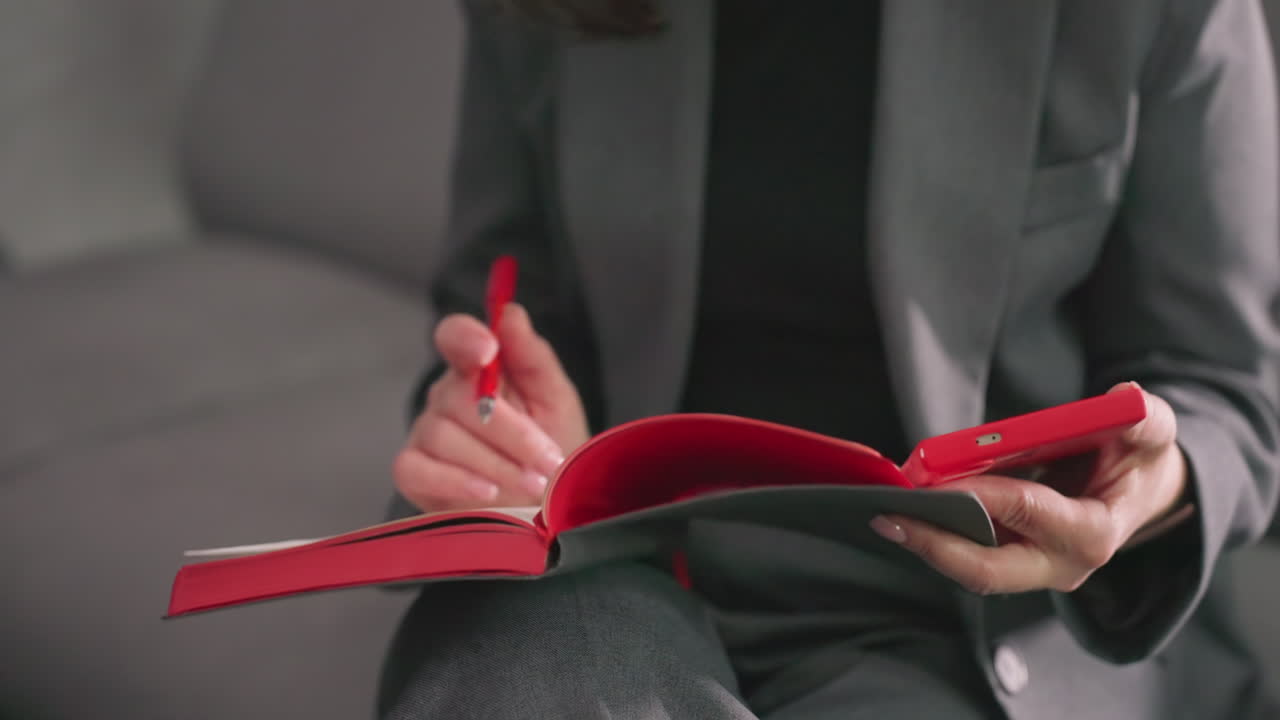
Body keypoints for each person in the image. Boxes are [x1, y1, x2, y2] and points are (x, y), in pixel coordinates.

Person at [378, 1, 1280, 718]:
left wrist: (1145, 489)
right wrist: (492, 423)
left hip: (949, 619)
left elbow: (1230, 390)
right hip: (609, 561)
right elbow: (498, 307)